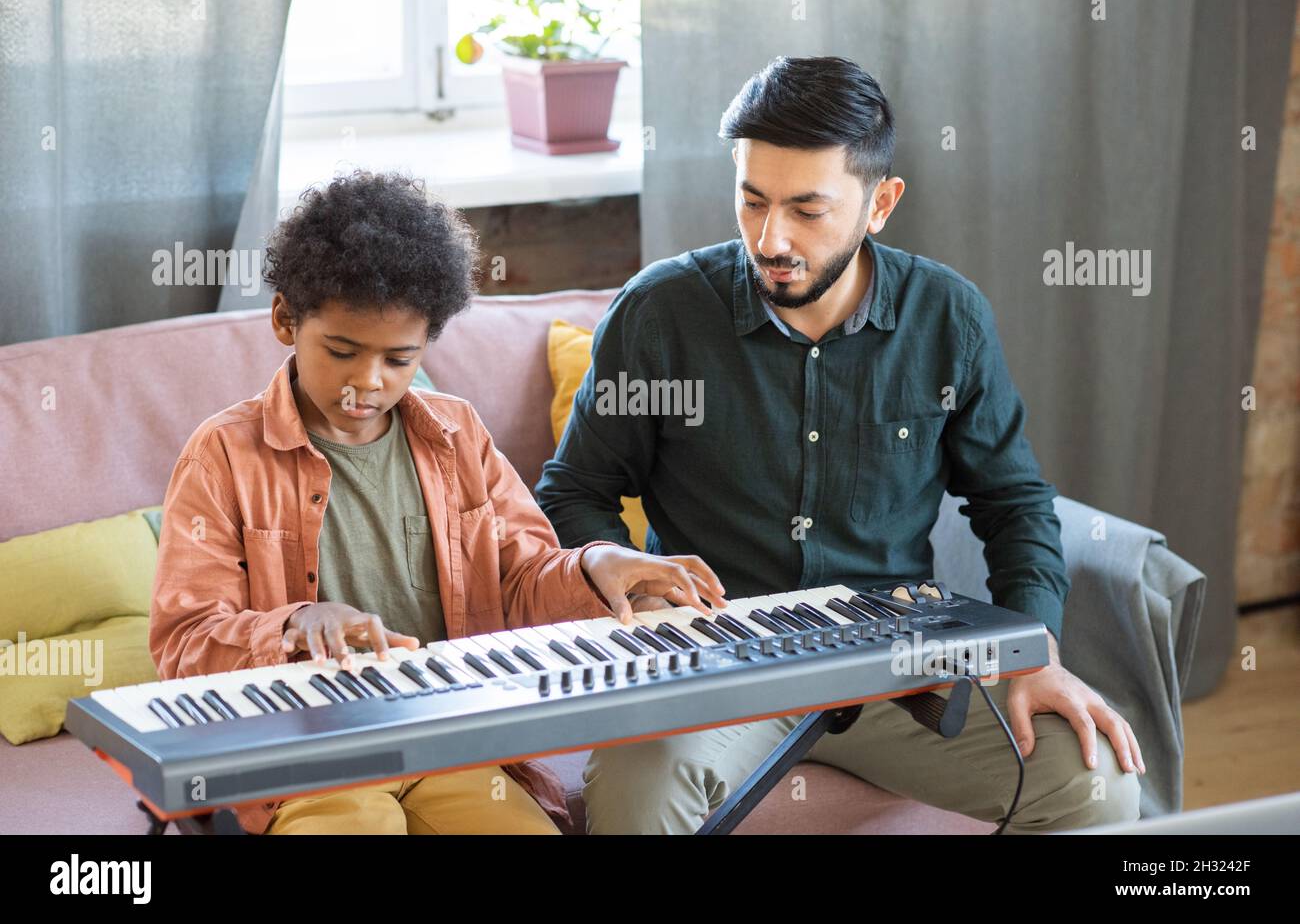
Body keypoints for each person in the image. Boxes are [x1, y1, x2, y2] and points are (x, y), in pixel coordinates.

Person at [536, 56, 1145, 834]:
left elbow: (1014, 502)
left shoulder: (947, 318)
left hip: (902, 671)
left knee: (1099, 784)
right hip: (717, 665)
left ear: (880, 203)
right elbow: (572, 490)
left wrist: (1032, 648)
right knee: (636, 789)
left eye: (806, 209)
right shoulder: (660, 314)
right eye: (751, 200)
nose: (770, 237)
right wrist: (636, 585)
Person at [149, 170, 726, 835]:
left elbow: (520, 581)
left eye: (399, 358)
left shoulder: (456, 434)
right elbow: (184, 641)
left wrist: (594, 564)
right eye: (342, 350)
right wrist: (292, 624)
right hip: (303, 758)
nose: (368, 380)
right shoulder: (222, 454)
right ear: (285, 319)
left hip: (449, 742)